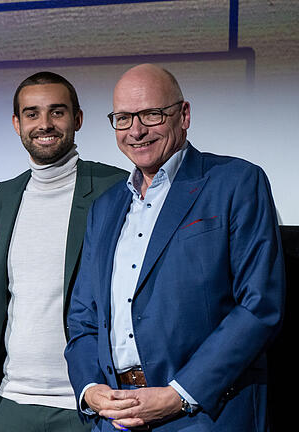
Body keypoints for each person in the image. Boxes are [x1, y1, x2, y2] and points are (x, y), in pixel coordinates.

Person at [64, 64, 285, 431]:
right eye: (122, 118)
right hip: (115, 418)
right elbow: (83, 316)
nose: (136, 130)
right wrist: (90, 389)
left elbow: (259, 305)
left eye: (151, 114)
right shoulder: (105, 207)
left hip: (204, 415)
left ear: (183, 115)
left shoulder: (236, 182)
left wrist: (179, 393)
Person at [0, 72, 127, 431]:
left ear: (77, 118)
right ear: (17, 123)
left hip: (86, 402)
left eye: (56, 112)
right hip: (11, 401)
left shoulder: (116, 187)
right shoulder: (5, 195)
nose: (44, 124)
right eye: (31, 114)